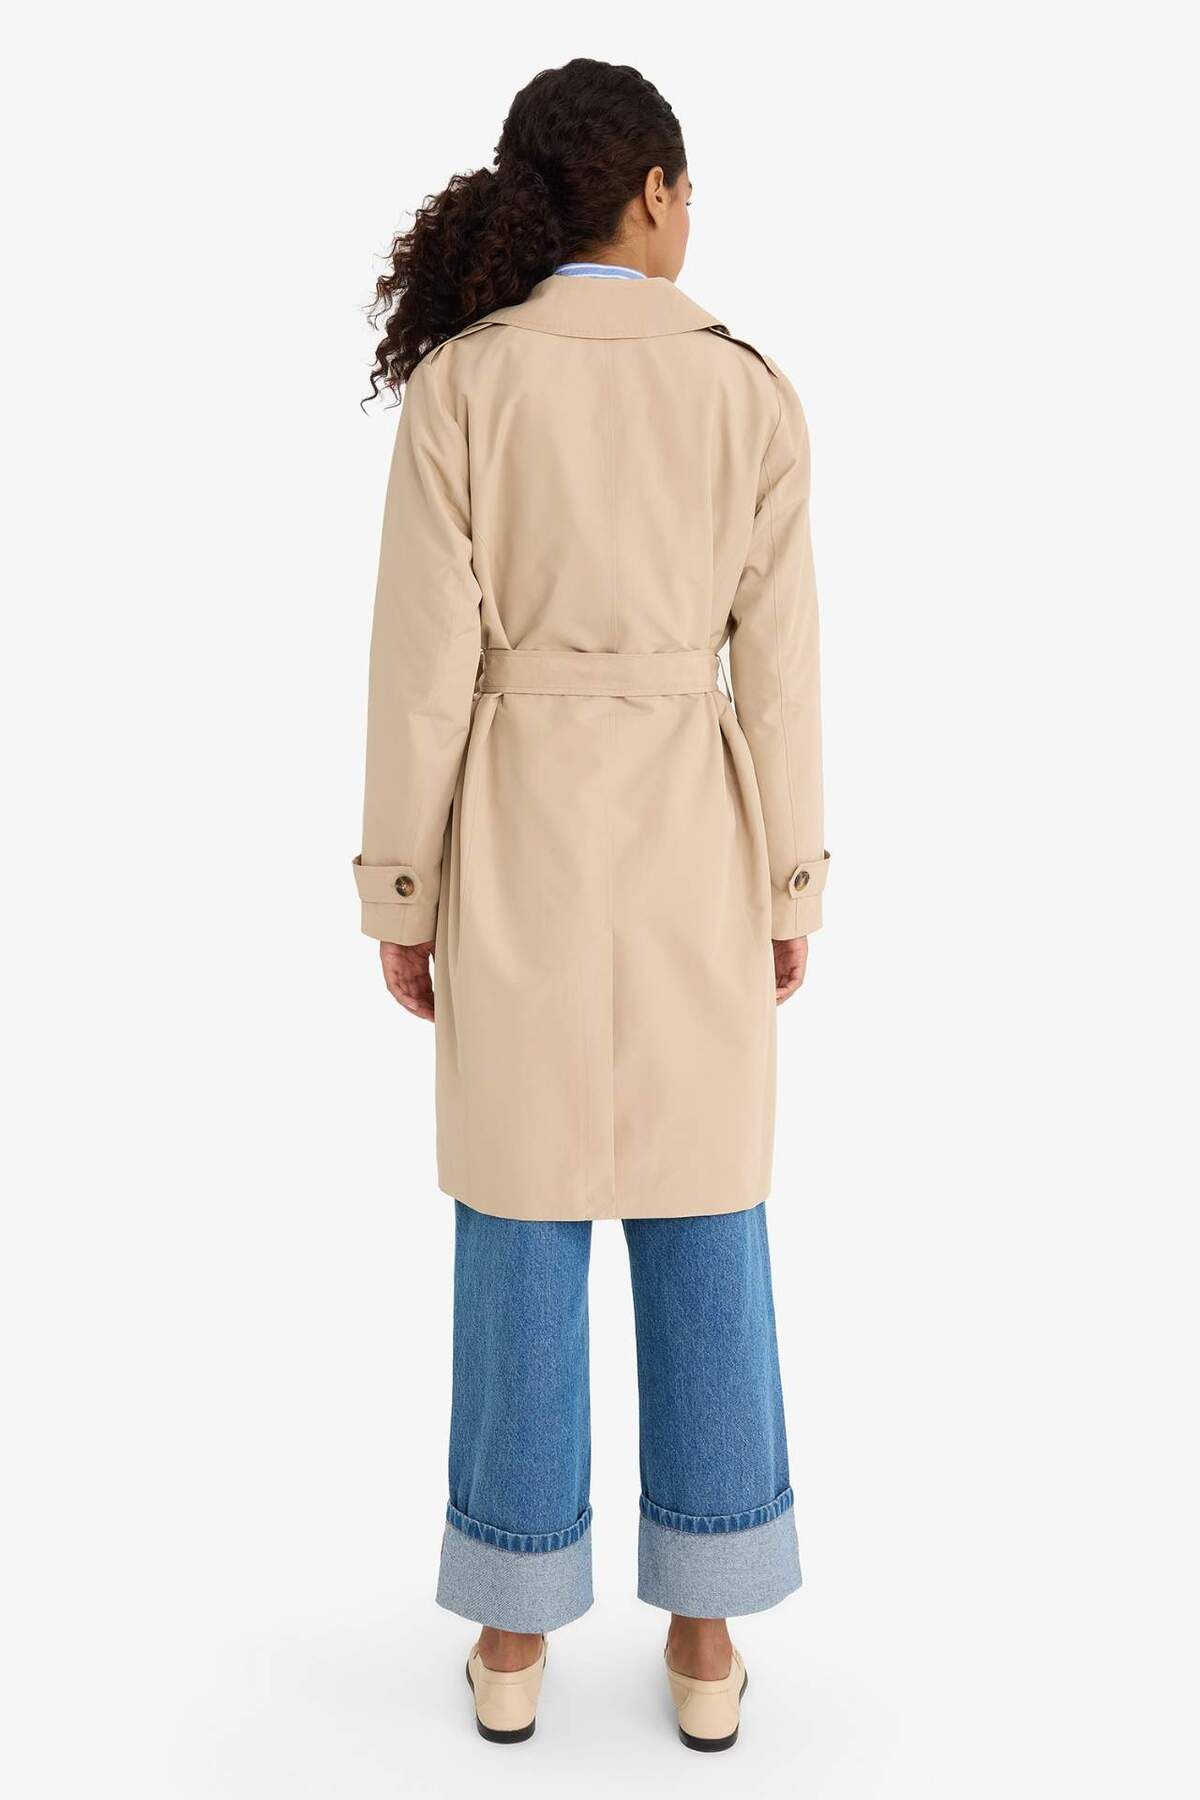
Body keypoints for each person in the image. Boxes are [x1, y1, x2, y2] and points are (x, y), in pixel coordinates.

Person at [354, 57, 829, 1752]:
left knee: (520, 1208)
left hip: (520, 834)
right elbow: (781, 674)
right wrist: (791, 879)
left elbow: (421, 670)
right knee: (706, 1208)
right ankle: (704, 1632)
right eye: (687, 190)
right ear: (651, 193)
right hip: (698, 835)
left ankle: (510, 1635)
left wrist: (403, 889)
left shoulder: (465, 387)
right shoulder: (746, 392)